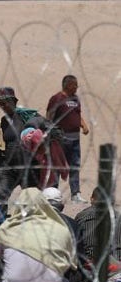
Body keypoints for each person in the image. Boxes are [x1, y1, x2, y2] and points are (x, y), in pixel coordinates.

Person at [0, 86, 48, 208]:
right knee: (1, 195)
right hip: (10, 168)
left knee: (30, 201)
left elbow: (43, 127)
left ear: (14, 102)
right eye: (0, 104)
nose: (3, 106)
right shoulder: (4, 121)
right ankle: (0, 224)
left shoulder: (27, 116)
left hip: (28, 168)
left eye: (5, 103)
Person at [46, 75, 90, 203]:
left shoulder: (75, 99)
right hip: (60, 139)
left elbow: (77, 114)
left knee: (74, 166)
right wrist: (51, 134)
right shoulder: (57, 98)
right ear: (68, 85)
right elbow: (49, 117)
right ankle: (54, 193)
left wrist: (84, 125)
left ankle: (75, 194)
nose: (77, 87)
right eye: (75, 85)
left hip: (75, 140)